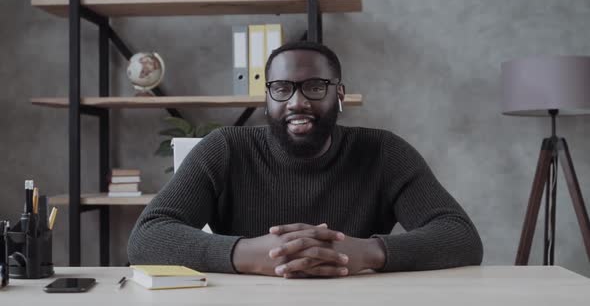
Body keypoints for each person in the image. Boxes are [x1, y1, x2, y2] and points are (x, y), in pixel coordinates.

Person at [128, 41, 483, 278]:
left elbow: (460, 237)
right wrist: (249, 253)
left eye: (315, 86)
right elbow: (146, 238)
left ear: (339, 94)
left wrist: (368, 252)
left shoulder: (383, 152)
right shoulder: (224, 148)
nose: (297, 102)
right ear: (267, 98)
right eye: (282, 88)